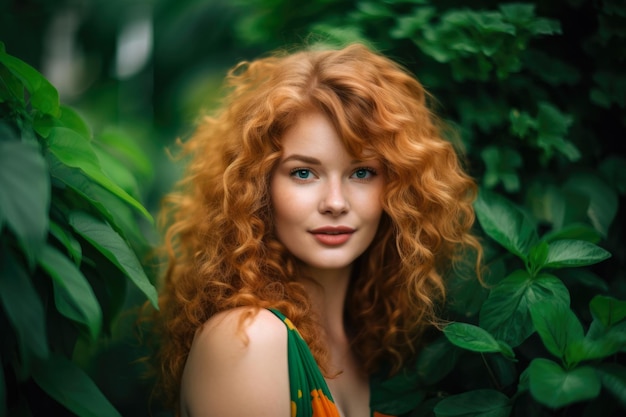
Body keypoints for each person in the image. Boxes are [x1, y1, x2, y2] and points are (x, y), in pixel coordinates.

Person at [151, 42, 482, 417]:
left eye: (362, 172)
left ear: (397, 187)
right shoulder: (250, 340)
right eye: (303, 173)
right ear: (259, 188)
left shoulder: (370, 342)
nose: (335, 202)